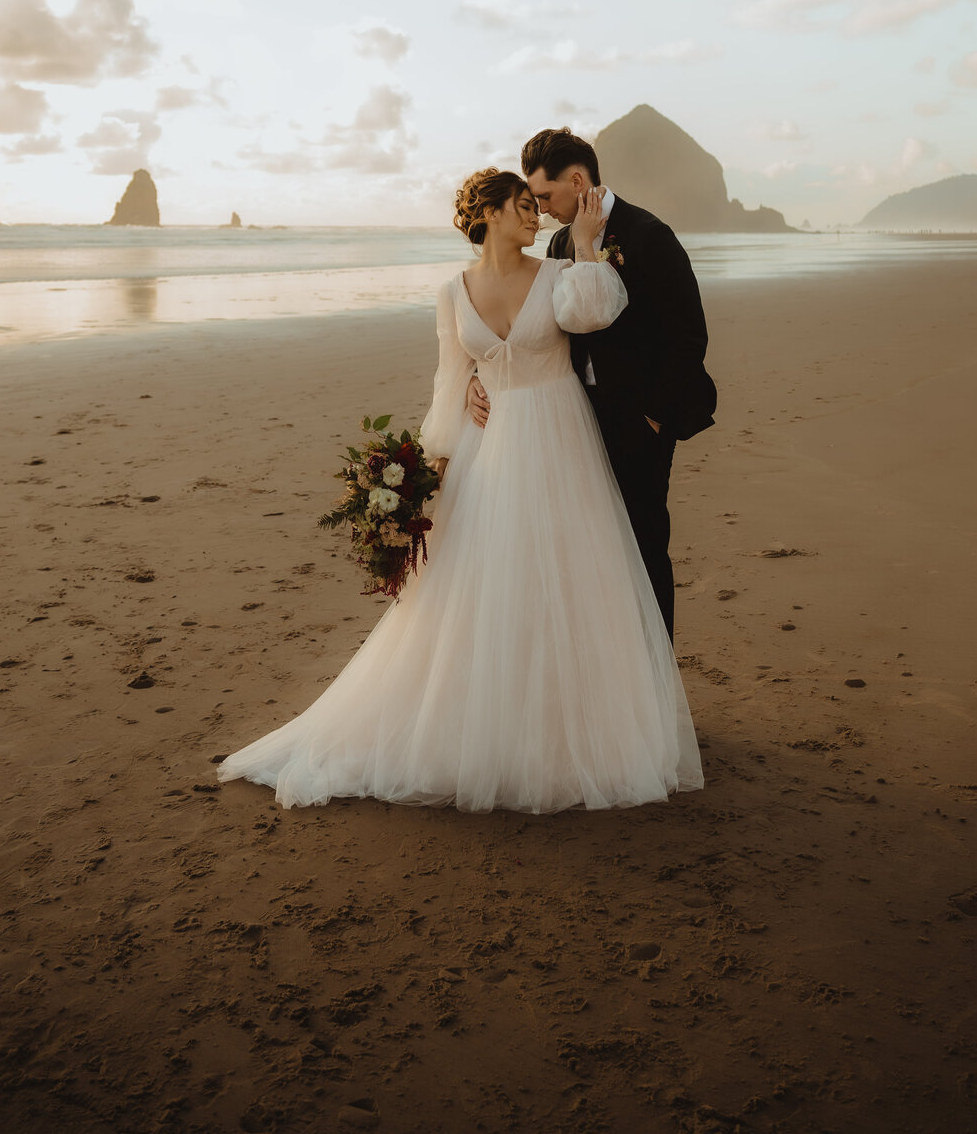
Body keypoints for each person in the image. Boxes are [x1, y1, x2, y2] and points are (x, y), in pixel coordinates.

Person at [215, 168, 702, 815]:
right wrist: (428, 475)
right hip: (488, 446)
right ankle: (486, 732)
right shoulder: (451, 292)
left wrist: (585, 245)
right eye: (524, 206)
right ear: (491, 213)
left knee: (566, 578)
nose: (536, 216)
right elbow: (449, 385)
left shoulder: (557, 271)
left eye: (538, 205)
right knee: (485, 588)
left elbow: (596, 312)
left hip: (559, 439)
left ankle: (573, 732)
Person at [468, 127, 715, 641]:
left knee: (644, 543)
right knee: (593, 550)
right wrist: (478, 374)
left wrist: (655, 416)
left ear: (577, 180)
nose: (541, 210)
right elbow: (535, 326)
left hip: (639, 420)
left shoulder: (648, 234)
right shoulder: (561, 242)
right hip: (575, 417)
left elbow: (687, 333)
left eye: (545, 196)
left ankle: (655, 682)